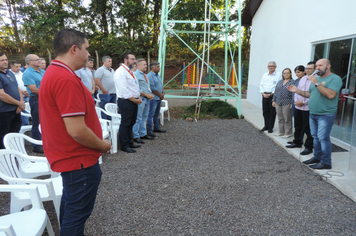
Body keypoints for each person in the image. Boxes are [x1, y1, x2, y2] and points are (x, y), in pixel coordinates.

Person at [39, 29, 111, 236]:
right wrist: (103, 145)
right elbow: (77, 130)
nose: (89, 55)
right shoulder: (65, 79)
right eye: (87, 49)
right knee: (76, 217)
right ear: (74, 49)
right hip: (79, 161)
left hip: (72, 159)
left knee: (71, 211)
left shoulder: (56, 72)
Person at [288, 59, 342, 169]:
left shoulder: (335, 79)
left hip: (325, 114)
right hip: (313, 113)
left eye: (320, 65)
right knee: (315, 137)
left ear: (328, 66)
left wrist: (315, 82)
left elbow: (330, 95)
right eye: (316, 65)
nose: (318, 67)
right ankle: (317, 157)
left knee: (323, 138)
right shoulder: (316, 79)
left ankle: (326, 162)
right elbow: (310, 94)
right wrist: (297, 90)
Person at [114, 52, 142, 153]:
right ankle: (124, 145)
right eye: (132, 59)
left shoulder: (130, 71)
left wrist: (138, 96)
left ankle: (129, 142)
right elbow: (123, 89)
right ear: (126, 60)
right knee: (126, 123)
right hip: (126, 101)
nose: (134, 61)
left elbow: (134, 86)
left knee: (131, 122)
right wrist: (134, 99)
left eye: (134, 59)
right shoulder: (120, 72)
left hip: (133, 100)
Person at [286, 63, 314, 155]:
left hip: (307, 107)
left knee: (307, 128)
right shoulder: (302, 79)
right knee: (298, 126)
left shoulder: (315, 80)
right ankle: (297, 142)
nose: (308, 70)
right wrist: (296, 102)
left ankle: (308, 147)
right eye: (307, 68)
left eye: (310, 68)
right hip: (298, 106)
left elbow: (314, 95)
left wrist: (303, 102)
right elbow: (297, 92)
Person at [0, 51, 24, 149]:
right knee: (3, 136)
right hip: (4, 111)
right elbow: (2, 95)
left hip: (16, 110)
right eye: (2, 60)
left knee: (14, 134)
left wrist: (21, 103)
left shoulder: (10, 72)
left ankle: (14, 156)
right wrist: (19, 103)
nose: (5, 62)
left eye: (6, 59)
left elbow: (17, 88)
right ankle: (4, 160)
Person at [22, 54, 45, 153]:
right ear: (29, 62)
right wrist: (50, 95)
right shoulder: (27, 73)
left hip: (45, 99)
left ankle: (45, 142)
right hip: (36, 99)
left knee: (46, 123)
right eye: (36, 60)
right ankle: (36, 145)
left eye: (39, 59)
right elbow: (34, 90)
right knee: (37, 122)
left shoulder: (42, 71)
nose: (39, 61)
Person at [132, 59, 155, 144]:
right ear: (139, 65)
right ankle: (136, 136)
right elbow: (137, 88)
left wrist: (150, 93)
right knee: (138, 118)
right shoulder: (136, 75)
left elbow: (146, 86)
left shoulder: (144, 74)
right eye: (144, 65)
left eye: (146, 65)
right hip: (141, 99)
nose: (146, 66)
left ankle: (143, 133)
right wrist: (147, 95)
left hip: (147, 98)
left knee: (144, 117)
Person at [259, 61, 282, 133]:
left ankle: (270, 127)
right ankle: (266, 125)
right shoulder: (265, 75)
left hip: (273, 96)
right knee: (265, 111)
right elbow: (261, 84)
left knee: (272, 112)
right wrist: (263, 93)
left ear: (275, 67)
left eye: (272, 66)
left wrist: (271, 94)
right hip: (264, 95)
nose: (270, 67)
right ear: (267, 67)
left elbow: (278, 86)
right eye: (269, 66)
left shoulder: (279, 75)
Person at [272, 68, 294, 138]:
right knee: (280, 118)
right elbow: (276, 92)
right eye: (284, 73)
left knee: (287, 118)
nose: (286, 74)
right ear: (282, 74)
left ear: (290, 74)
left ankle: (288, 133)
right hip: (278, 102)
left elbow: (294, 94)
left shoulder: (292, 82)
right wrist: (273, 100)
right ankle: (281, 131)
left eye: (288, 73)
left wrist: (292, 103)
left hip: (287, 103)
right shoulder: (280, 82)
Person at [146, 61, 166, 137]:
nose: (159, 68)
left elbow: (161, 85)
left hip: (159, 98)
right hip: (153, 98)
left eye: (159, 66)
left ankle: (156, 128)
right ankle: (149, 130)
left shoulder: (158, 75)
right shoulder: (149, 76)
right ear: (152, 68)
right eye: (157, 66)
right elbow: (152, 88)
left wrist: (163, 93)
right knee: (151, 114)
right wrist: (160, 95)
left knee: (157, 114)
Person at [10, 60, 29, 125]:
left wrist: (27, 91)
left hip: (26, 95)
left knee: (27, 111)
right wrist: (22, 92)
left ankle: (27, 125)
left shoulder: (22, 73)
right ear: (11, 66)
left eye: (20, 66)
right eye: (17, 66)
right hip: (17, 97)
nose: (19, 68)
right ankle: (25, 125)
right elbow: (14, 85)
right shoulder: (10, 74)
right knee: (21, 112)